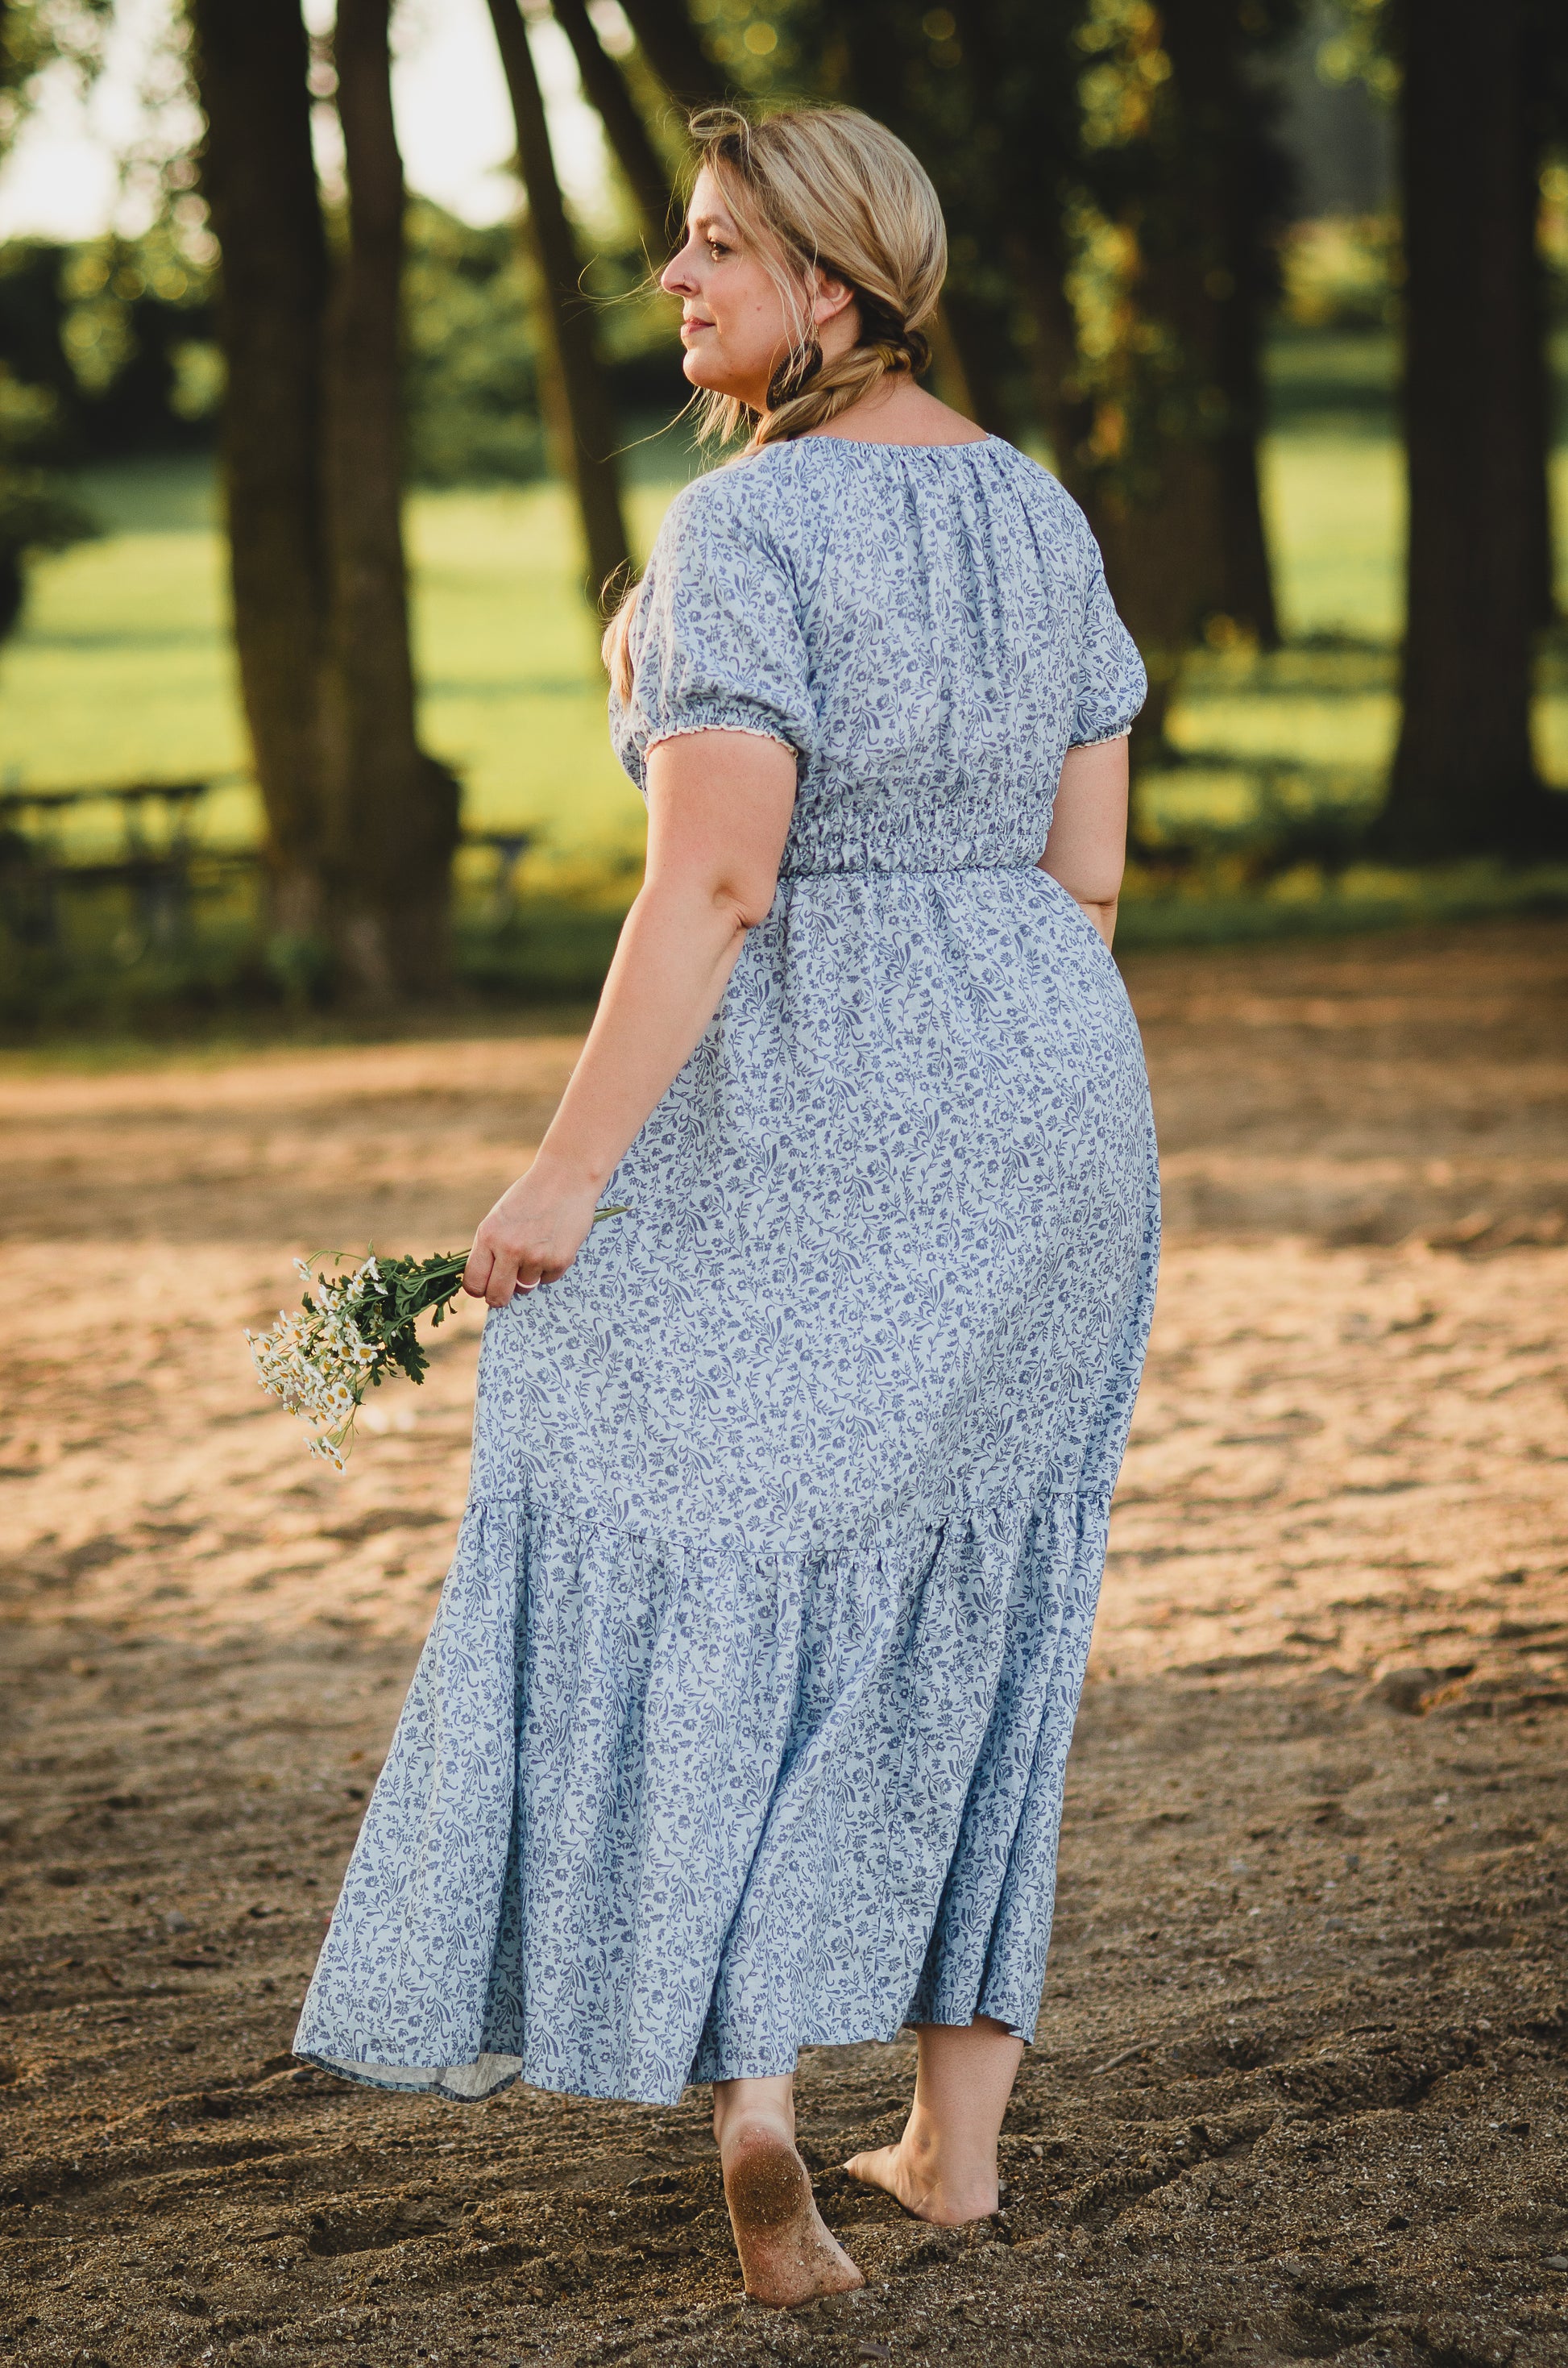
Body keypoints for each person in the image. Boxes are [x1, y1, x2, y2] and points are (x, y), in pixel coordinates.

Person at [294, 102, 1157, 2309]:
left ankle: (756, 2088)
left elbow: (717, 875)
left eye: (713, 255)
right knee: (980, 1584)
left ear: (836, 290)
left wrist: (561, 1175)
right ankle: (949, 2149)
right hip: (1052, 1101)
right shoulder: (1039, 515)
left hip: (823, 1089)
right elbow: (1089, 869)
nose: (672, 287)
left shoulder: (744, 535)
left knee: (714, 1536)